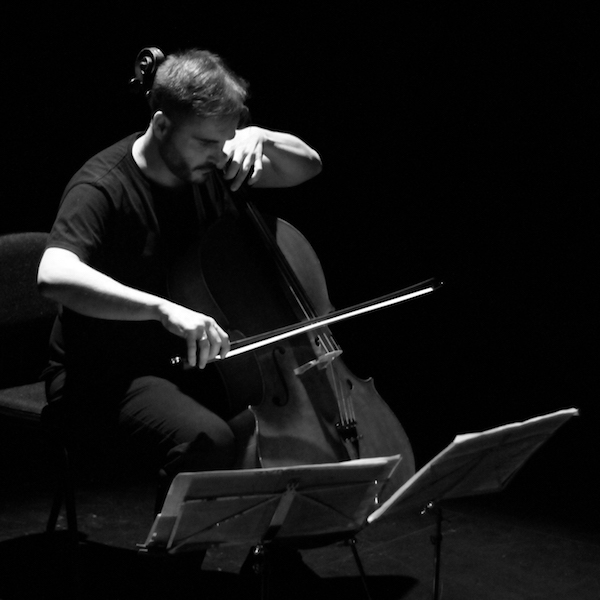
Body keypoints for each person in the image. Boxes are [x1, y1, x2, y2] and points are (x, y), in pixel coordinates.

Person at [37, 48, 322, 499]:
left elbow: (308, 166)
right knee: (210, 441)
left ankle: (266, 543)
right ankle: (171, 549)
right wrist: (161, 309)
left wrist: (262, 138)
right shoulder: (102, 186)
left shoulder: (212, 164)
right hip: (102, 375)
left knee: (281, 429)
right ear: (162, 124)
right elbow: (54, 274)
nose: (219, 153)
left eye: (226, 139)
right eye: (206, 142)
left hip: (187, 362)